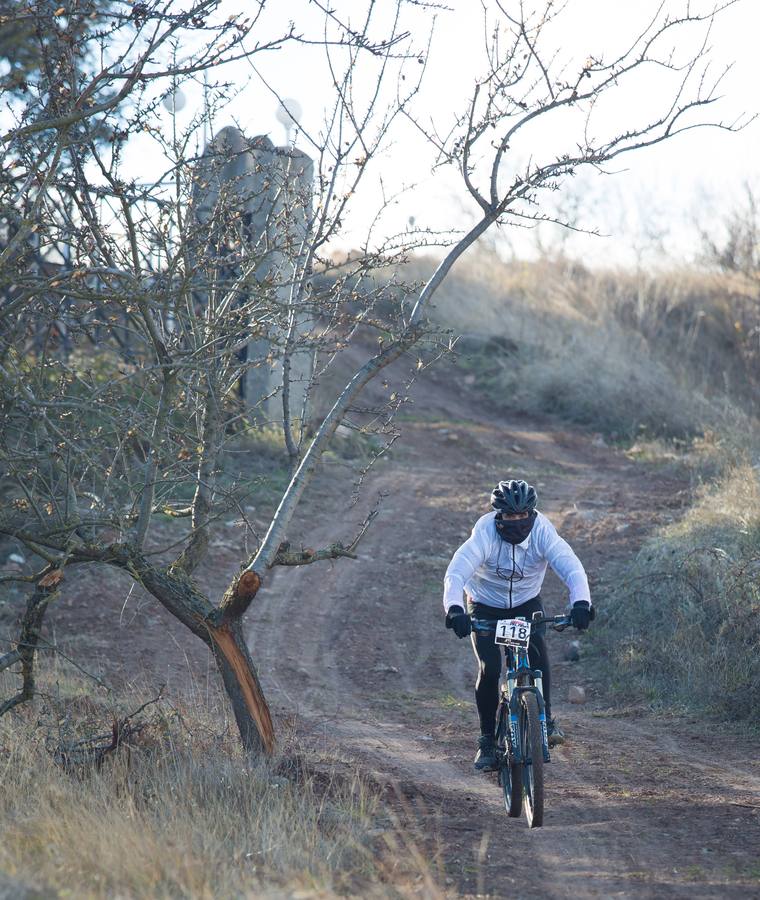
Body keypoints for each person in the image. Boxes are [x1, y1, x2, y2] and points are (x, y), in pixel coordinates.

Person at [443, 478, 593, 771]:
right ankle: (487, 740)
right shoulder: (484, 533)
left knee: (537, 655)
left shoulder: (543, 532)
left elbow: (571, 566)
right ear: (498, 516)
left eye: (523, 515)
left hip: (525, 603)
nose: (517, 521)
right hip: (484, 604)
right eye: (510, 516)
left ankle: (545, 721)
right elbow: (456, 573)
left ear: (532, 514)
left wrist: (581, 603)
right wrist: (455, 609)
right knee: (490, 668)